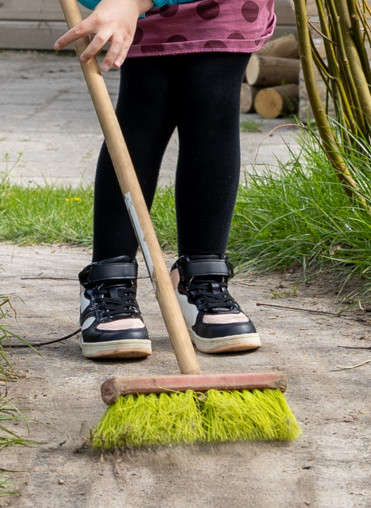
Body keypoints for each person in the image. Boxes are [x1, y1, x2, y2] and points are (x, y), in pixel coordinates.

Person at [54, 0, 272, 360]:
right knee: (143, 110)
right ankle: (110, 280)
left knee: (213, 104)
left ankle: (201, 276)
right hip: (141, 12)